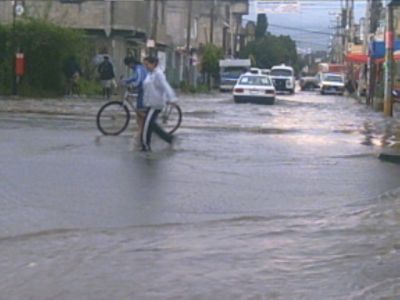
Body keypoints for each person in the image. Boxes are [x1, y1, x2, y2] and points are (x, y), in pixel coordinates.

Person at [141, 56, 176, 152]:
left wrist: (172, 98)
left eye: (147, 64)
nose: (146, 66)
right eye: (145, 64)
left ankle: (145, 146)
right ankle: (168, 138)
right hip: (150, 103)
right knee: (151, 125)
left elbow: (166, 86)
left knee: (146, 125)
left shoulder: (158, 74)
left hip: (155, 105)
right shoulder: (151, 74)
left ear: (153, 64)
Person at [123, 56, 148, 139]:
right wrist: (125, 81)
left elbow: (138, 81)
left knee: (139, 110)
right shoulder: (137, 69)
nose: (128, 67)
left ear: (131, 63)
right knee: (138, 112)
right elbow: (133, 77)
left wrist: (132, 86)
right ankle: (141, 130)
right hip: (142, 89)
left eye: (128, 65)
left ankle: (147, 125)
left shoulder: (139, 69)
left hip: (145, 90)